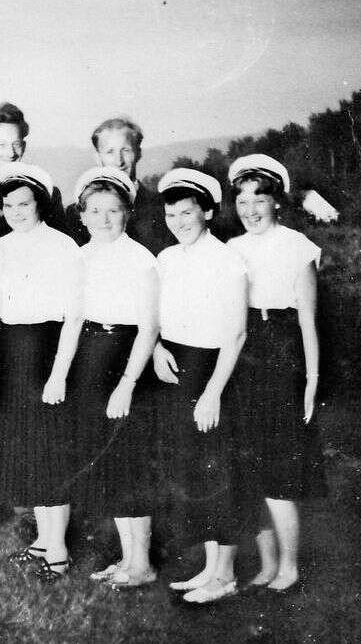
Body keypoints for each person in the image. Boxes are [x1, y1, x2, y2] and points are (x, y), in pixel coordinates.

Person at [225, 154, 322, 596]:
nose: (250, 209)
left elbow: (307, 321)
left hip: (282, 352)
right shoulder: (232, 249)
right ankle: (266, 564)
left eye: (259, 199)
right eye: (242, 200)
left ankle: (290, 565)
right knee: (249, 466)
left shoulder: (298, 247)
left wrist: (312, 379)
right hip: (241, 352)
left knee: (279, 466)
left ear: (276, 201)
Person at [58, 167, 159, 588]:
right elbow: (73, 318)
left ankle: (143, 563)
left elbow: (149, 329)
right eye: (94, 211)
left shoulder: (142, 259)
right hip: (91, 358)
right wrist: (59, 374)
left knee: (130, 462)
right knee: (109, 462)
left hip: (126, 357)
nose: (103, 219)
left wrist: (127, 384)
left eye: (113, 210)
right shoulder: (80, 257)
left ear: (127, 213)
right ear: (82, 216)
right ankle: (127, 558)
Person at [152, 168, 247, 605]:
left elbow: (236, 334)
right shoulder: (167, 258)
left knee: (218, 470)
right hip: (177, 364)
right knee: (194, 469)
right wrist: (156, 348)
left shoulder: (227, 259)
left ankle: (225, 575)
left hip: (213, 370)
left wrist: (212, 393)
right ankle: (209, 569)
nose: (178, 222)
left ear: (207, 212)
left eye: (187, 213)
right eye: (171, 214)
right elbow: (157, 314)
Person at [0, 162, 84, 583]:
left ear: (40, 204)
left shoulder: (63, 246)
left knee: (51, 453)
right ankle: (43, 540)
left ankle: (58, 551)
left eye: (24, 204)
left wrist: (59, 374)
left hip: (48, 352)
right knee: (29, 452)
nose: (16, 212)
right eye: (8, 206)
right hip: (12, 355)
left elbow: (74, 317)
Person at [65, 117, 171, 255]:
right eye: (110, 152)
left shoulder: (163, 207)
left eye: (125, 150)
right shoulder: (74, 214)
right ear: (98, 158)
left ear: (138, 153)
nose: (119, 161)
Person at [0, 102, 65, 238]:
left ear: (23, 146)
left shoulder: (48, 194)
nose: (11, 153)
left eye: (16, 144)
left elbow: (59, 242)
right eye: (2, 145)